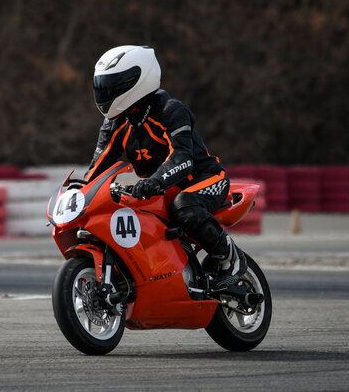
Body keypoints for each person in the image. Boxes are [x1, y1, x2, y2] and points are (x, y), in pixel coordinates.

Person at [84, 45, 247, 289]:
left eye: (112, 86)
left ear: (136, 81)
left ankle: (231, 260)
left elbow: (183, 158)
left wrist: (156, 181)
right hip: (161, 189)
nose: (105, 93)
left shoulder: (171, 111)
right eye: (102, 86)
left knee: (185, 205)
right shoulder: (114, 124)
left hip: (205, 179)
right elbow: (96, 168)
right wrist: (80, 193)